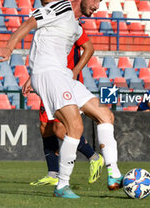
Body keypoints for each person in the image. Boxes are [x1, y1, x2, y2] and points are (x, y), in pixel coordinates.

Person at [0, 0, 123, 199]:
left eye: (100, 1)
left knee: (105, 115)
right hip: (49, 73)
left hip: (61, 74)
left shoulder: (76, 25)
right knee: (74, 126)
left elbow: (56, 44)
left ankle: (114, 173)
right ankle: (62, 185)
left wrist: (71, 71)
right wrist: (9, 47)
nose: (98, 5)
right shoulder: (61, 8)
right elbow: (31, 22)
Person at [29, 31, 104, 186]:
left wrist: (75, 71)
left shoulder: (72, 23)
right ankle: (52, 174)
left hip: (64, 83)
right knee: (45, 127)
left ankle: (94, 157)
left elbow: (88, 48)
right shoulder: (50, 24)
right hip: (49, 79)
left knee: (59, 128)